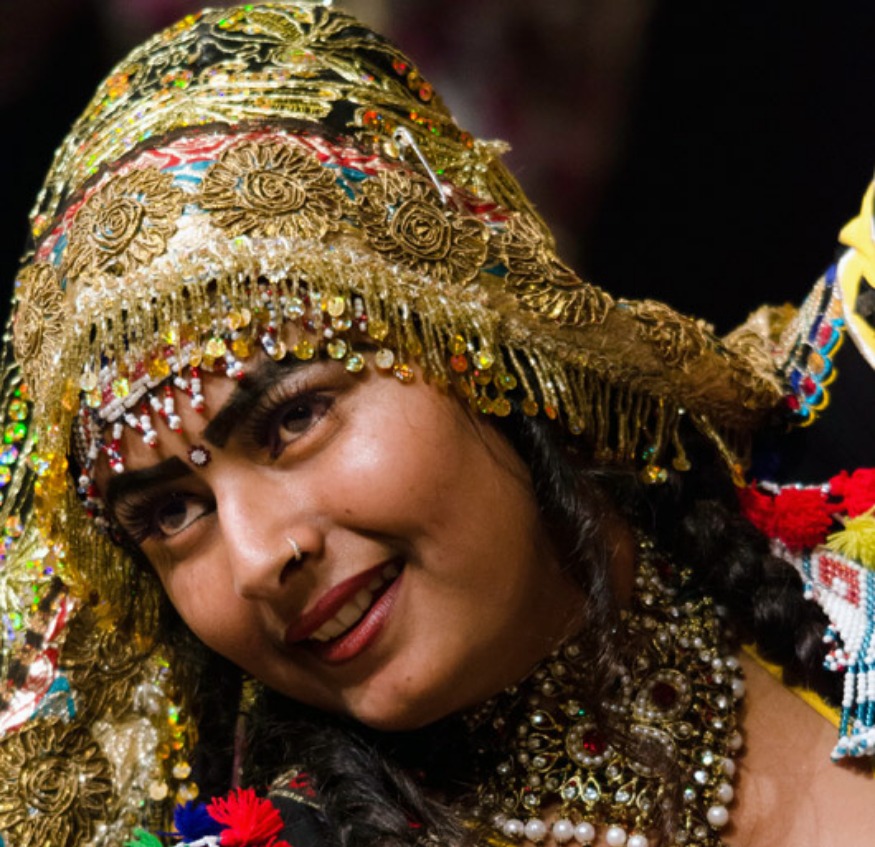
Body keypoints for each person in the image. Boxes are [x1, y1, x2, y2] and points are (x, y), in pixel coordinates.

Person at [0, 4, 871, 847]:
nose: (259, 556)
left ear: (473, 341)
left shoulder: (843, 438)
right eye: (172, 512)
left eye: (294, 418)